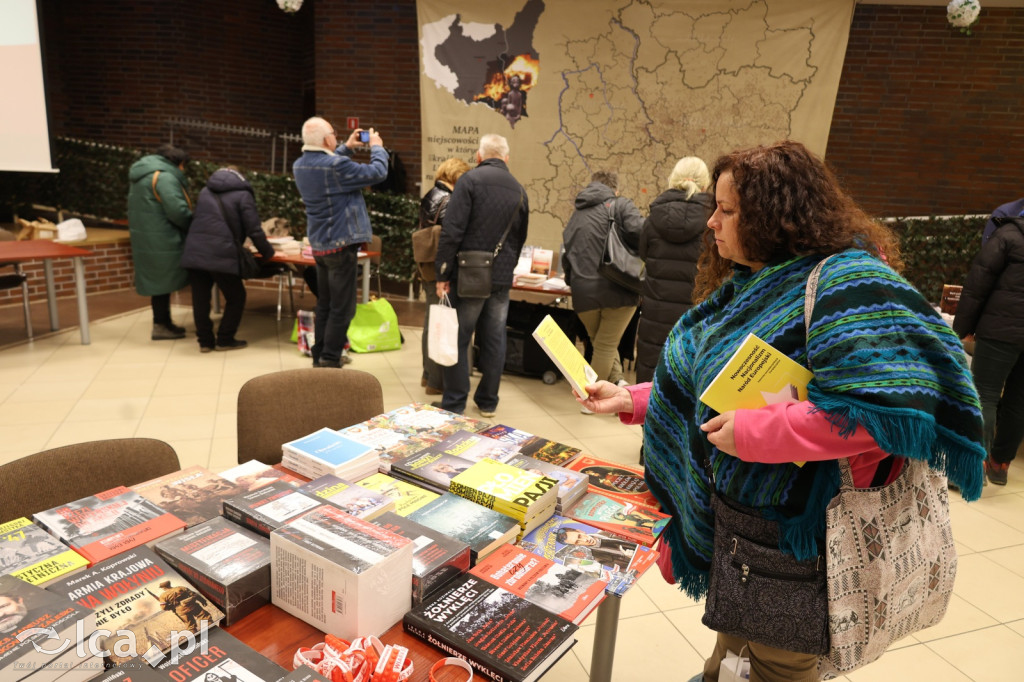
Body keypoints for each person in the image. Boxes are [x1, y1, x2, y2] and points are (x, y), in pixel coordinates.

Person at [576, 140, 986, 682]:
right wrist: (631, 398)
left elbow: (884, 409)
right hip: (743, 523)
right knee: (737, 645)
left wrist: (762, 433)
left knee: (780, 665)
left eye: (726, 211)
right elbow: (717, 384)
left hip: (798, 534)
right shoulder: (755, 281)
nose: (712, 225)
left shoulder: (847, 282)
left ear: (773, 215)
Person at [435, 134, 529, 418]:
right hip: (500, 278)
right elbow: (520, 237)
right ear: (506, 158)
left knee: (460, 336)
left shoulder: (469, 181)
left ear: (479, 156)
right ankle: (488, 401)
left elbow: (453, 230)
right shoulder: (519, 190)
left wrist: (443, 272)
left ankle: (454, 401)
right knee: (494, 338)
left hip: (468, 275)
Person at [293, 117, 389, 368]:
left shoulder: (300, 166)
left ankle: (320, 355)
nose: (336, 138)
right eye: (334, 135)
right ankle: (331, 358)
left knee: (325, 304)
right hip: (341, 246)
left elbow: (326, 162)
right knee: (343, 309)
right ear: (327, 139)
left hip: (321, 247)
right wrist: (377, 147)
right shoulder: (336, 166)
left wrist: (346, 147)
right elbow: (378, 172)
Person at [953, 207, 1024, 485]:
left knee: (984, 394)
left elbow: (976, 285)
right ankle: (1000, 465)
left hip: (1000, 331)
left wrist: (963, 329)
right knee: (1019, 401)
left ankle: (972, 469)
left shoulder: (1007, 235)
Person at [561, 170, 644, 405]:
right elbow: (642, 235)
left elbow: (568, 255)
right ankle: (591, 398)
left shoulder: (576, 215)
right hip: (619, 289)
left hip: (583, 294)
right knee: (606, 346)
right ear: (614, 190)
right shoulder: (620, 205)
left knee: (601, 343)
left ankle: (617, 383)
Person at [180, 167, 274, 352]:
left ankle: (205, 342)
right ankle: (225, 338)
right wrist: (268, 253)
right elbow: (254, 229)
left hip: (195, 250)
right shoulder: (243, 195)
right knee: (236, 296)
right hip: (221, 252)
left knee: (200, 298)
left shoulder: (205, 191)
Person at [635, 157, 712, 384]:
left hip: (654, 314)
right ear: (705, 185)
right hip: (694, 315)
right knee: (683, 382)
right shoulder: (712, 223)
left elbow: (643, 255)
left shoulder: (653, 218)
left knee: (650, 379)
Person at [127, 143, 193, 340]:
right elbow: (177, 211)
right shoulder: (164, 177)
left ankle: (163, 323)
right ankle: (161, 326)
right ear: (178, 163)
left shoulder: (142, 174)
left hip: (147, 237)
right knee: (163, 284)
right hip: (164, 238)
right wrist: (193, 224)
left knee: (159, 285)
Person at [417, 157, 472, 396]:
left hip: (426, 266)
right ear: (456, 176)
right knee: (442, 324)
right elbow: (450, 239)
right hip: (439, 269)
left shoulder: (430, 194)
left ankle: (427, 374)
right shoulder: (449, 200)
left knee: (432, 320)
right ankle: (436, 382)